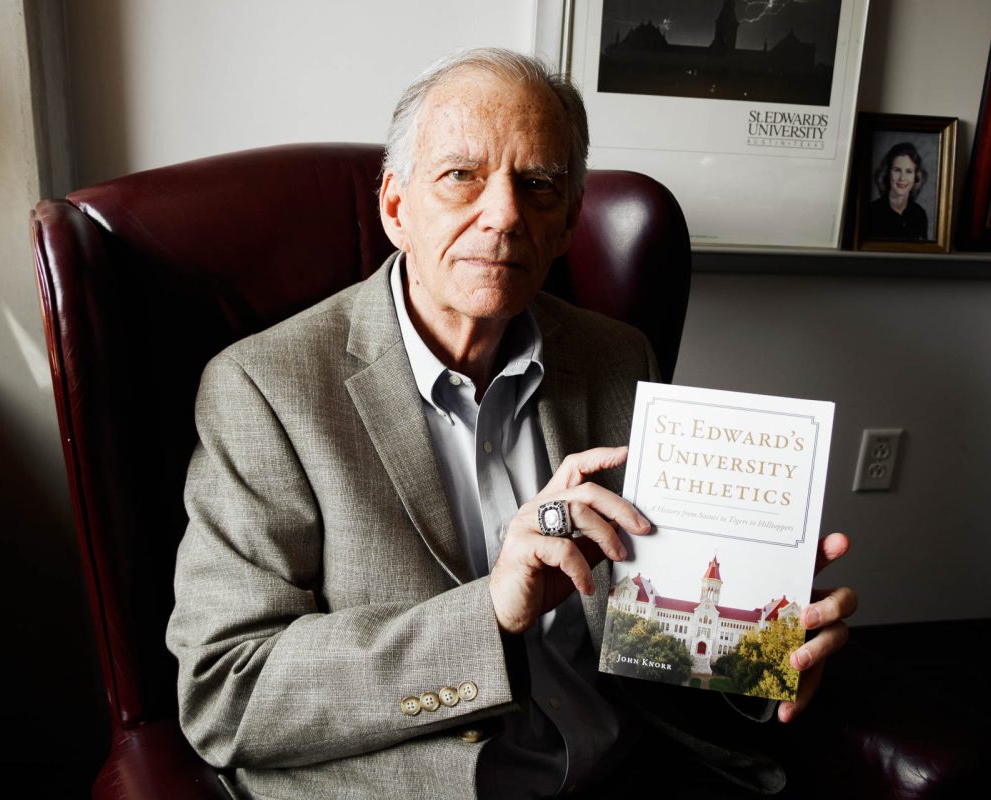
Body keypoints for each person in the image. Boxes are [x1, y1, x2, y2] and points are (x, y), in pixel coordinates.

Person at [166, 48, 857, 799]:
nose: (503, 214)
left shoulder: (619, 358)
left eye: (539, 185)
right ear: (396, 208)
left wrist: (759, 650)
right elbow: (225, 694)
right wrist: (491, 613)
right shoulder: (264, 389)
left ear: (565, 227)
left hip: (618, 767)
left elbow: (653, 620)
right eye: (462, 176)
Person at [866, 142, 930, 240]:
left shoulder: (919, 214)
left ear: (916, 177)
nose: (902, 178)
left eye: (909, 171)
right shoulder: (871, 212)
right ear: (887, 173)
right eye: (897, 170)